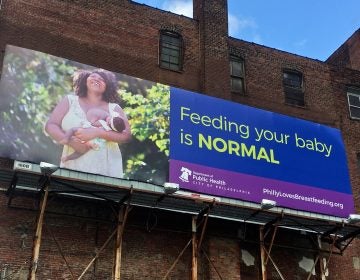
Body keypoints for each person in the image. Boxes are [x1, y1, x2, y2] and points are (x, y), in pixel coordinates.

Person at [45, 69, 131, 178]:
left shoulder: (114, 108)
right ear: (85, 80)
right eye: (93, 76)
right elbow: (51, 125)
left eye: (102, 79)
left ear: (108, 86)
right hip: (72, 169)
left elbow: (126, 136)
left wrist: (97, 132)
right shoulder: (69, 100)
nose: (97, 79)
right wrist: (72, 142)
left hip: (106, 171)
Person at [59, 107, 126, 162]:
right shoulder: (110, 130)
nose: (108, 118)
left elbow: (93, 124)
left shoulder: (102, 123)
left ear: (109, 124)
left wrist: (93, 123)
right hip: (94, 142)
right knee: (81, 151)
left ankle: (66, 139)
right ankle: (67, 158)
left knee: (73, 130)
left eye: (109, 120)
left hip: (87, 132)